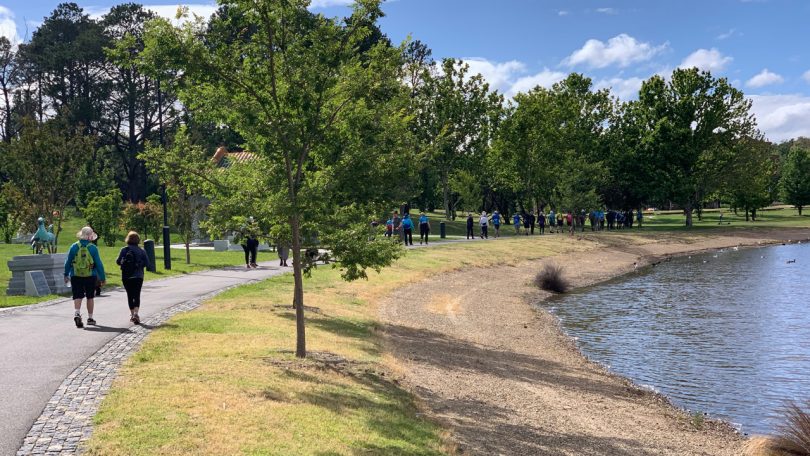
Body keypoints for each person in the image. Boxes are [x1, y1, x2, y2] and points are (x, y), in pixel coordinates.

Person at [64, 227, 106, 328]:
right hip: (90, 275)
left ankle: (77, 313)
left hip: (76, 275)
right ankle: (90, 318)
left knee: (77, 296)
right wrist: (102, 278)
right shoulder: (93, 248)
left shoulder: (74, 246)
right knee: (90, 297)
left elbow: (68, 262)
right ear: (91, 236)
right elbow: (99, 264)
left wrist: (66, 274)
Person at [116, 231, 150, 325]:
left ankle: (132, 315)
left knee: (130, 295)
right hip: (138, 276)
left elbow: (118, 262)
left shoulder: (124, 250)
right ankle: (136, 313)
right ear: (138, 240)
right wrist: (139, 264)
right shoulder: (141, 250)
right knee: (137, 294)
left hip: (126, 276)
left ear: (128, 239)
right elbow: (148, 264)